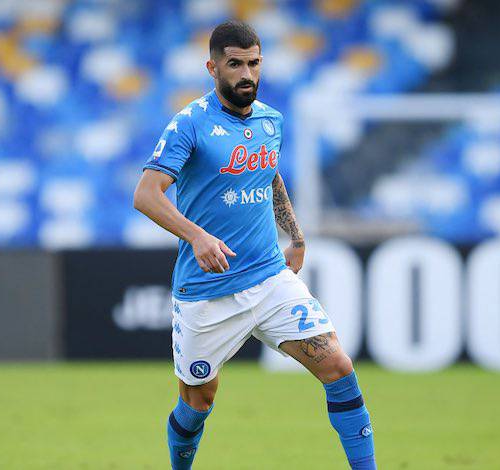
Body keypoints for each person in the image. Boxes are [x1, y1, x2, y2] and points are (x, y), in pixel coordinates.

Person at [133, 20, 377, 470]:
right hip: (208, 291)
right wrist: (197, 235)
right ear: (213, 68)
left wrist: (295, 235)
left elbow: (269, 175)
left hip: (269, 279)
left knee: (339, 368)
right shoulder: (190, 123)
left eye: (254, 63)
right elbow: (146, 194)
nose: (246, 74)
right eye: (235, 64)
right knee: (198, 402)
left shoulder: (270, 120)